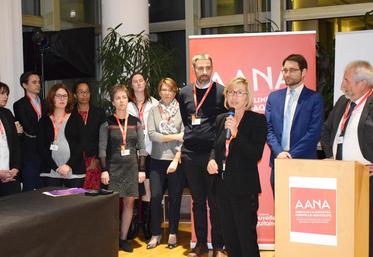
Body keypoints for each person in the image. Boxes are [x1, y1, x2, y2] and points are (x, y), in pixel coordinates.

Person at [207, 77, 267, 257]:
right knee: (229, 235)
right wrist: (211, 160)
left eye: (239, 92)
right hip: (222, 187)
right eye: (231, 92)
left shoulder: (257, 120)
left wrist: (236, 133)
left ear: (247, 97)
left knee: (245, 236)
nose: (234, 96)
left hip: (243, 188)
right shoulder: (221, 119)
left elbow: (255, 154)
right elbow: (214, 147)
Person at [320, 60, 373, 257]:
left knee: (367, 228)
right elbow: (325, 130)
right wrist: (331, 156)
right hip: (341, 177)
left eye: (346, 80)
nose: (342, 85)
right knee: (344, 227)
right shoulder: (343, 102)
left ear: (362, 84)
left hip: (367, 179)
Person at [178, 53, 225, 257]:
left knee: (214, 202)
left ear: (212, 68)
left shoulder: (221, 92)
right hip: (189, 155)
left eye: (208, 68)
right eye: (200, 68)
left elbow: (222, 127)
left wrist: (215, 155)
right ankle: (201, 245)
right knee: (197, 202)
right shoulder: (185, 92)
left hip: (211, 156)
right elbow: (186, 119)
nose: (204, 72)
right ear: (194, 69)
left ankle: (217, 246)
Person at [265, 54, 324, 194]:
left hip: (304, 162)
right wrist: (279, 152)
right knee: (280, 209)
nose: (287, 74)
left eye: (292, 70)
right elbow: (268, 128)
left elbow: (314, 132)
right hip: (278, 162)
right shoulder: (274, 97)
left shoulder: (314, 98)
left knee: (302, 210)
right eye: (284, 70)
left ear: (303, 72)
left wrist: (290, 155)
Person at [99, 84, 147, 252]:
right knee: (111, 206)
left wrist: (142, 170)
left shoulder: (136, 122)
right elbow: (102, 149)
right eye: (118, 98)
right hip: (112, 170)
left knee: (129, 205)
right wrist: (104, 170)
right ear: (113, 101)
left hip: (132, 169)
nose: (121, 101)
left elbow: (142, 148)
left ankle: (123, 239)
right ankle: (110, 239)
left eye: (124, 97)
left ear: (128, 100)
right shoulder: (107, 122)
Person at [146, 78, 184, 249]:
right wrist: (175, 136)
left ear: (175, 91)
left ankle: (173, 232)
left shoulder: (181, 110)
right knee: (155, 197)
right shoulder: (154, 110)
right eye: (163, 90)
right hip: (156, 160)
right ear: (159, 92)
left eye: (170, 90)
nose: (167, 93)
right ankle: (156, 233)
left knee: (175, 199)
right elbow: (153, 135)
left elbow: (186, 135)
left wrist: (176, 157)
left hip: (176, 160)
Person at [127, 72, 159, 240]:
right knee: (132, 189)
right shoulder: (126, 104)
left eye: (141, 80)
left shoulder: (155, 103)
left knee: (147, 188)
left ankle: (146, 224)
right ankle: (132, 225)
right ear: (131, 85)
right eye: (135, 81)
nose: (138, 84)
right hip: (132, 153)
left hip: (150, 152)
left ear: (145, 83)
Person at [37, 83, 86, 188]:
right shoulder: (44, 120)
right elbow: (41, 147)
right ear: (52, 98)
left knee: (74, 203)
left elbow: (82, 143)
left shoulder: (76, 118)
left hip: (73, 170)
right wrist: (56, 168)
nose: (62, 99)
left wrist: (68, 165)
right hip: (50, 171)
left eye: (65, 96)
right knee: (52, 204)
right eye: (58, 96)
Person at [13, 71, 46, 191]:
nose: (38, 85)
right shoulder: (19, 105)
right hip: (29, 151)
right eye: (34, 82)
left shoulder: (46, 102)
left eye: (39, 82)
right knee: (30, 187)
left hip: (46, 150)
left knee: (45, 188)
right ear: (24, 85)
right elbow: (28, 128)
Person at [72, 81, 106, 190]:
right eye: (81, 92)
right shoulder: (69, 113)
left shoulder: (99, 113)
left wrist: (96, 158)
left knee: (93, 194)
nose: (84, 95)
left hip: (93, 159)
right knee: (76, 194)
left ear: (90, 94)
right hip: (75, 159)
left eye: (86, 92)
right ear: (75, 95)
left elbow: (103, 138)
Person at [0, 82, 21, 197]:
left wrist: (15, 168)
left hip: (10, 175)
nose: (6, 97)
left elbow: (16, 144)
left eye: (7, 94)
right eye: (2, 93)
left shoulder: (7, 113)